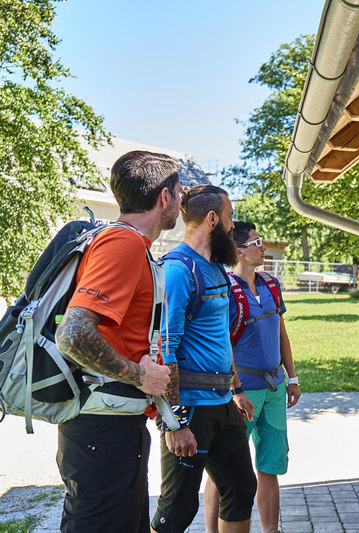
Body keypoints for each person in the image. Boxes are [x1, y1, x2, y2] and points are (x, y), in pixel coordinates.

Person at [54, 150, 178, 533]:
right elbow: (72, 334)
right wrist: (138, 376)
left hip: (113, 430)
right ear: (163, 198)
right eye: (179, 190)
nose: (181, 199)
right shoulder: (122, 245)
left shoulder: (130, 245)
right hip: (102, 433)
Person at [150, 185, 257, 533]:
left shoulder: (216, 270)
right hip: (191, 410)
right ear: (212, 220)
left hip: (225, 403)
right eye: (227, 219)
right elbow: (165, 349)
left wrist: (237, 388)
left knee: (241, 489)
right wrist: (174, 422)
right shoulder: (179, 270)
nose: (231, 226)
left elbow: (221, 339)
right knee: (178, 508)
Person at [203, 221, 301, 533]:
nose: (264, 247)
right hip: (243, 393)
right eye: (257, 242)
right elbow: (222, 344)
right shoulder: (226, 292)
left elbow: (281, 332)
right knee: (224, 471)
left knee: (269, 465)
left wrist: (292, 377)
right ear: (239, 251)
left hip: (274, 388)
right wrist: (236, 390)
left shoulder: (271, 285)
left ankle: (271, 530)